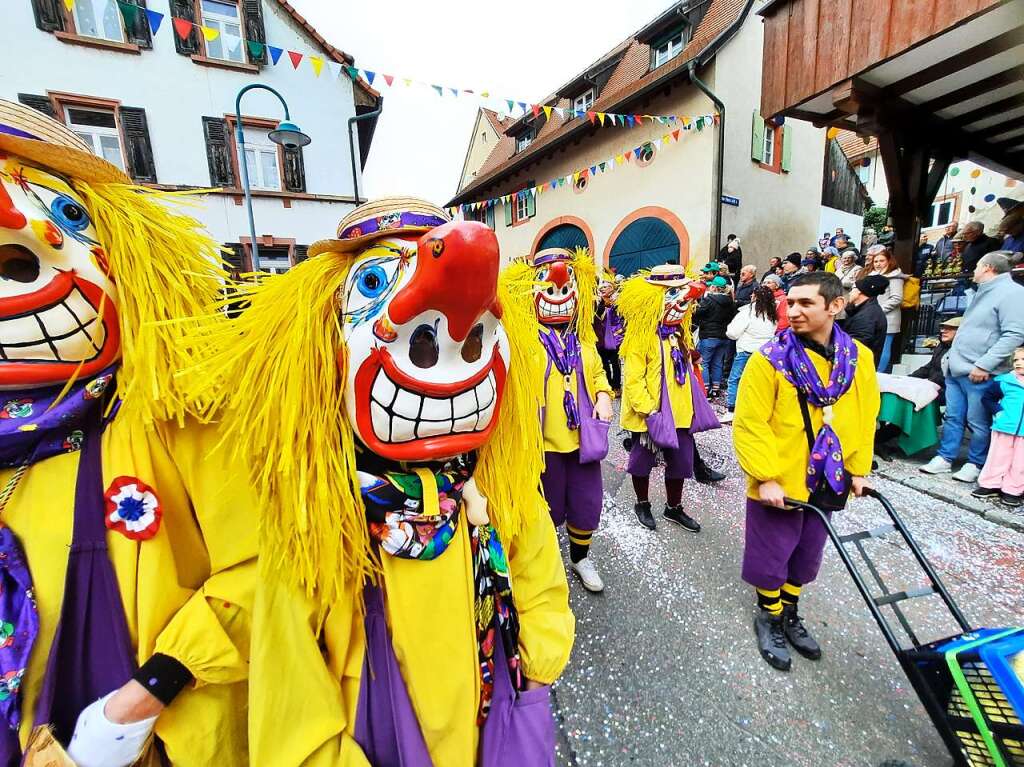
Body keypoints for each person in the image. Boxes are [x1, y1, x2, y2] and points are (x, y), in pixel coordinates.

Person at [181, 198, 576, 765]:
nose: (445, 361)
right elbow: (291, 693)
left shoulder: (497, 478)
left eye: (465, 344)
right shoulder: (312, 502)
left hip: (491, 717)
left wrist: (534, 670)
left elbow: (538, 574)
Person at [0, 99, 255, 765]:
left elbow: (259, 570)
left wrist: (140, 700)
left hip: (162, 741)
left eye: (67, 215)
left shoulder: (178, 407)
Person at [734, 272, 879, 672]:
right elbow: (750, 422)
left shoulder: (859, 359)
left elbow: (866, 417)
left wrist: (859, 469)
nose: (793, 311)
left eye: (804, 303)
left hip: (829, 476)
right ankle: (770, 614)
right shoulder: (770, 358)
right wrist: (764, 476)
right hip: (781, 477)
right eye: (790, 303)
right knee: (773, 551)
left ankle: (791, 610)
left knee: (807, 550)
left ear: (835, 306)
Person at [528, 248, 613, 593]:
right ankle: (544, 565)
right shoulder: (526, 343)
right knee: (544, 510)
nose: (558, 297)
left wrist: (605, 397)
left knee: (586, 504)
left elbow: (599, 380)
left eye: (565, 290)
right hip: (542, 447)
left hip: (582, 444)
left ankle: (580, 558)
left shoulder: (585, 345)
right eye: (549, 289)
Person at [619, 265, 715, 532]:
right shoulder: (640, 336)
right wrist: (650, 412)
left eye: (683, 292)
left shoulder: (678, 333)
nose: (684, 299)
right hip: (652, 415)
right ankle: (642, 503)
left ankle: (673, 508)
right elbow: (634, 379)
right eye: (674, 293)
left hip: (681, 414)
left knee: (681, 463)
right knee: (642, 462)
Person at [921, 253, 1024, 482]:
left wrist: (985, 364)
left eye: (977, 265)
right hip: (957, 368)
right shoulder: (983, 291)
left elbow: (1014, 334)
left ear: (987, 268)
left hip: (979, 371)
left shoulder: (1014, 293)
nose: (973, 270)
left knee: (978, 422)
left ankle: (975, 463)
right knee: (953, 417)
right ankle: (945, 458)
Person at [973, 347, 1024, 508]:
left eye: (1023, 360)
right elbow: (988, 398)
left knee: (1020, 462)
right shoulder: (1004, 381)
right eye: (1016, 360)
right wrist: (999, 412)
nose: (1018, 363)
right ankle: (990, 484)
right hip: (1004, 427)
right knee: (998, 456)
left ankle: (1013, 490)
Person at [722, 284, 779, 423]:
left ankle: (731, 409)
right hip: (765, 352)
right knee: (758, 382)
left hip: (746, 350)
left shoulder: (747, 312)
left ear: (755, 297)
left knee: (735, 379)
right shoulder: (772, 314)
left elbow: (733, 333)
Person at [856, 245, 904, 372]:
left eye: (881, 261)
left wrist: (878, 311)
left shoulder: (895, 276)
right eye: (875, 261)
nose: (878, 264)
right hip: (873, 316)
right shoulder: (872, 275)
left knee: (884, 347)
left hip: (888, 317)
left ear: (889, 261)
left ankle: (879, 373)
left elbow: (896, 298)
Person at [694, 276, 737, 398]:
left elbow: (697, 313)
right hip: (724, 337)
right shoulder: (730, 302)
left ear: (714, 287)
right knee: (718, 363)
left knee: (704, 363)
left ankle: (705, 388)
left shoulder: (709, 300)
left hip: (709, 335)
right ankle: (716, 389)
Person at [841, 275, 889, 365]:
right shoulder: (863, 310)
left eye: (853, 289)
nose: (850, 293)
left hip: (859, 369)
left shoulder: (867, 316)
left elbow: (855, 346)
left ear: (860, 291)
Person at [910, 317, 960, 398]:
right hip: (933, 386)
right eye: (943, 328)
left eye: (950, 328)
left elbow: (946, 375)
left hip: (947, 391)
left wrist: (929, 384)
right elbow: (929, 367)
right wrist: (909, 378)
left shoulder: (960, 350)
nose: (943, 331)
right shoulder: (941, 346)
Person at [594, 270, 624, 391]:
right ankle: (608, 384)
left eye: (605, 286)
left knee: (615, 363)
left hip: (615, 337)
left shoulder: (617, 301)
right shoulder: (598, 301)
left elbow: (622, 319)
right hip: (600, 338)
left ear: (612, 287)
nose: (602, 288)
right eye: (601, 286)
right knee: (603, 363)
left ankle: (616, 386)